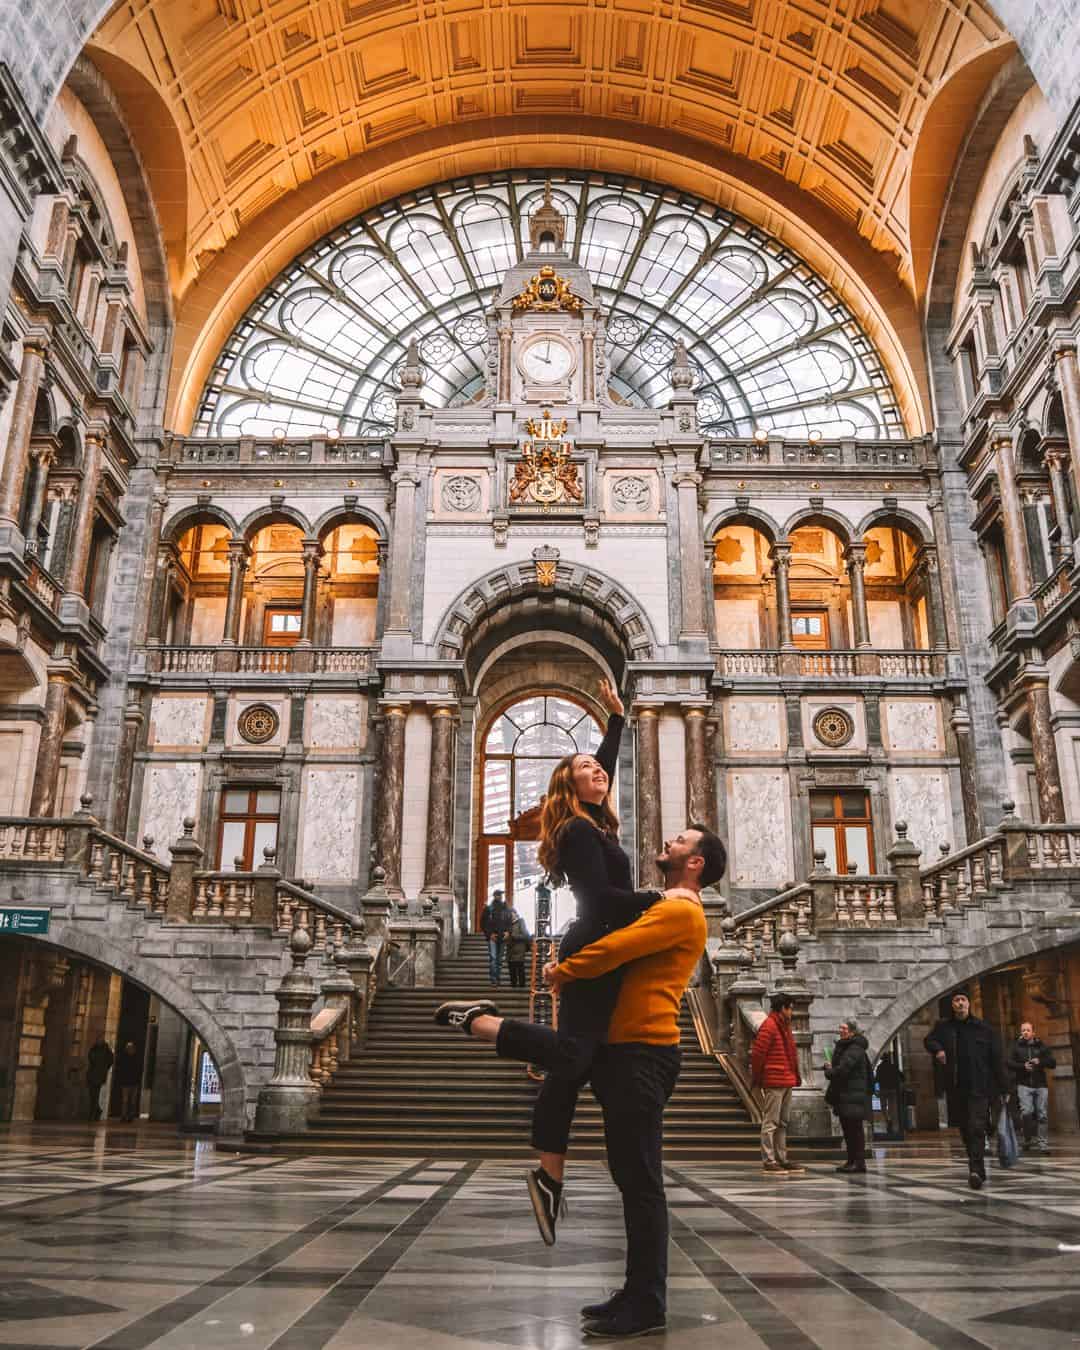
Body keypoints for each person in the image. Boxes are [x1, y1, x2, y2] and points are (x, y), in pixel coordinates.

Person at [439, 825, 725, 1340]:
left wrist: (563, 971)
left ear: (696, 862)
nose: (670, 841)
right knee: (622, 1164)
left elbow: (618, 947)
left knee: (641, 1183)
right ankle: (633, 1287)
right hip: (622, 1048)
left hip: (644, 1052)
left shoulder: (680, 909)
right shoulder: (664, 903)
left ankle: (647, 1302)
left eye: (681, 839)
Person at [436, 677, 662, 1245]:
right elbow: (604, 899)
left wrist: (614, 721)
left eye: (599, 768)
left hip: (603, 946)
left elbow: (602, 765)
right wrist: (661, 899)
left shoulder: (590, 819)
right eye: (588, 769)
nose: (600, 772)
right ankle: (480, 1023)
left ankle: (549, 1178)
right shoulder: (578, 833)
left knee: (572, 1067)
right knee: (572, 1053)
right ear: (571, 783)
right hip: (591, 944)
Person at [924, 988, 1009, 1189]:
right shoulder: (944, 1027)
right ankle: (976, 1166)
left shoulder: (984, 1029)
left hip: (980, 1087)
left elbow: (997, 1059)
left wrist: (1005, 1088)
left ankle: (975, 1170)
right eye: (956, 1000)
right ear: (952, 1005)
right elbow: (929, 1040)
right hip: (956, 1088)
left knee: (977, 1127)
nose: (960, 1003)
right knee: (966, 1130)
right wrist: (938, 1050)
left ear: (969, 1003)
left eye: (963, 1000)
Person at [751, 993, 805, 1174]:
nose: (792, 1012)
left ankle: (782, 1158)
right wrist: (758, 1079)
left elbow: (791, 1054)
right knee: (771, 1122)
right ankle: (769, 1159)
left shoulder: (784, 1026)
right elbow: (758, 1054)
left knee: (782, 1122)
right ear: (783, 1008)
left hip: (786, 1079)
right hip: (774, 1081)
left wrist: (795, 1076)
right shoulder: (770, 1026)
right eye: (790, 1008)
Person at [825, 1018, 873, 1173]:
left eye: (844, 1028)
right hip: (847, 1095)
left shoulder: (854, 1048)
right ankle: (852, 1161)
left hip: (853, 1095)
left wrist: (829, 1071)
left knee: (854, 1131)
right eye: (840, 1028)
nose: (841, 1030)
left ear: (852, 1032)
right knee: (849, 1130)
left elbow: (844, 1069)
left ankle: (858, 1163)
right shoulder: (848, 1047)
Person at [1008, 1020, 1055, 1153]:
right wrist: (1023, 1066)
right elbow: (1008, 1062)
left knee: (1042, 1114)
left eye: (1028, 1030)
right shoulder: (1016, 1046)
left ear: (1033, 1032)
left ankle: (1043, 1144)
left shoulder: (1041, 1046)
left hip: (1041, 1085)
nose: (1025, 1032)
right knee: (1026, 1112)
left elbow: (1052, 1063)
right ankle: (1027, 1139)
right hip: (1023, 1085)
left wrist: (1040, 1062)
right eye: (1023, 1030)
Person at [479, 889, 512, 985]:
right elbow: (483, 923)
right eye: (499, 895)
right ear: (494, 896)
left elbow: (510, 922)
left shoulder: (506, 908)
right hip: (492, 937)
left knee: (499, 960)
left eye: (501, 895)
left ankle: (497, 978)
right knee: (493, 958)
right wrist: (489, 934)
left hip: (502, 937)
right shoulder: (488, 909)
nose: (500, 896)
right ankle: (494, 979)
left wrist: (508, 932)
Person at [874, 1050, 904, 1136]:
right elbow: (902, 1077)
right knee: (893, 1108)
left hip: (883, 1089)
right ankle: (894, 1126)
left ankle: (888, 1120)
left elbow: (877, 1079)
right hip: (892, 1089)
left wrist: (873, 1087)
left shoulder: (880, 1067)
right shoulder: (893, 1066)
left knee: (883, 1108)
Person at [114, 1040, 143, 1123]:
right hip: (126, 1082)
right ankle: (123, 1115)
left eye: (131, 1048)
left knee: (132, 1101)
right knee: (125, 1100)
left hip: (134, 1082)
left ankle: (131, 1116)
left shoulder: (137, 1058)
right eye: (129, 1048)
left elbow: (139, 1070)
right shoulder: (123, 1058)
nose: (130, 1050)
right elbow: (120, 1070)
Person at [86, 1036, 113, 1121]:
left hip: (99, 1075)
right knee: (92, 1095)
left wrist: (105, 1068)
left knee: (95, 1095)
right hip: (92, 1074)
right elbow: (90, 1058)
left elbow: (110, 1060)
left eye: (100, 1040)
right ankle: (96, 1111)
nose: (98, 1041)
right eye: (98, 1040)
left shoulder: (106, 1050)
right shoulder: (93, 1048)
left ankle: (93, 1113)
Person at [506, 903, 532, 988]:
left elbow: (525, 935)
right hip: (510, 949)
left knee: (519, 967)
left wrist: (513, 936)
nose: (510, 915)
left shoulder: (521, 921)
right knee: (511, 967)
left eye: (511, 913)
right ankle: (513, 984)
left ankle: (521, 985)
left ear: (515, 913)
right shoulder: (508, 924)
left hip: (520, 948)